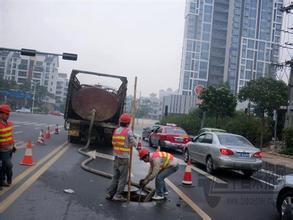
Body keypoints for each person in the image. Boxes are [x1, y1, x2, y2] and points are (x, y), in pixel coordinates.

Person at [106, 113, 136, 202]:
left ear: (120, 121)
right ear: (128, 123)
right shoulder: (128, 131)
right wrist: (130, 144)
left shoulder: (116, 130)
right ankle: (118, 195)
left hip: (116, 157)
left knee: (115, 176)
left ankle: (110, 193)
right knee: (122, 178)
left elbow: (114, 143)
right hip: (124, 158)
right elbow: (134, 143)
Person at [0, 104, 15, 188]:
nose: (8, 116)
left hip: (9, 149)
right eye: (6, 114)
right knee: (8, 165)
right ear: (1, 114)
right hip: (2, 149)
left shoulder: (9, 124)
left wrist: (13, 145)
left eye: (8, 114)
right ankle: (3, 181)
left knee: (5, 166)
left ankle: (4, 180)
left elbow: (10, 136)